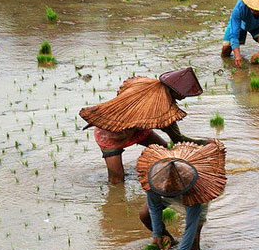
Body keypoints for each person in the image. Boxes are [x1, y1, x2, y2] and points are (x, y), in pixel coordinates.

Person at [79, 67, 208, 184]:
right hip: (110, 134)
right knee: (117, 181)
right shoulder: (162, 107)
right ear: (174, 91)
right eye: (183, 94)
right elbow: (177, 139)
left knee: (165, 152)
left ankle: (158, 176)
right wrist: (205, 143)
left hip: (137, 129)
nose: (184, 97)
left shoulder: (145, 84)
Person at [136, 141, 226, 250]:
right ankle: (170, 241)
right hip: (166, 190)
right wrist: (157, 234)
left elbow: (191, 224)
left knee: (193, 242)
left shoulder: (195, 189)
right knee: (145, 213)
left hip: (191, 190)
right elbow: (154, 206)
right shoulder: (155, 177)